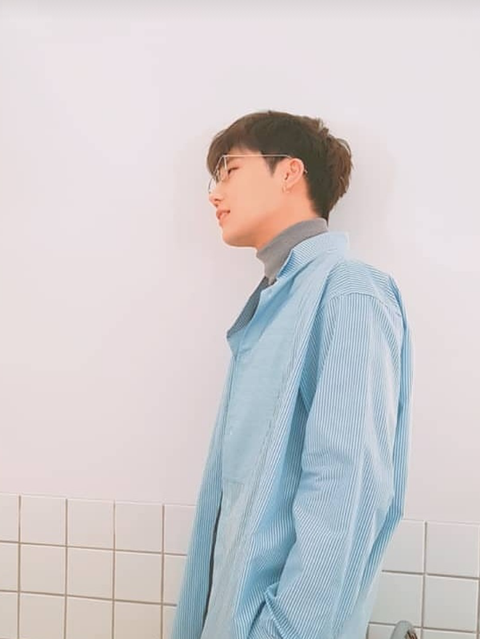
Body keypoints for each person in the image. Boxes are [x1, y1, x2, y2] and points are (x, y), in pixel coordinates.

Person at [170, 109, 414, 639]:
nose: (214, 194)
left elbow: (347, 493)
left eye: (229, 170)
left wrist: (283, 631)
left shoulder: (349, 292)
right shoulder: (275, 299)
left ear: (289, 172)